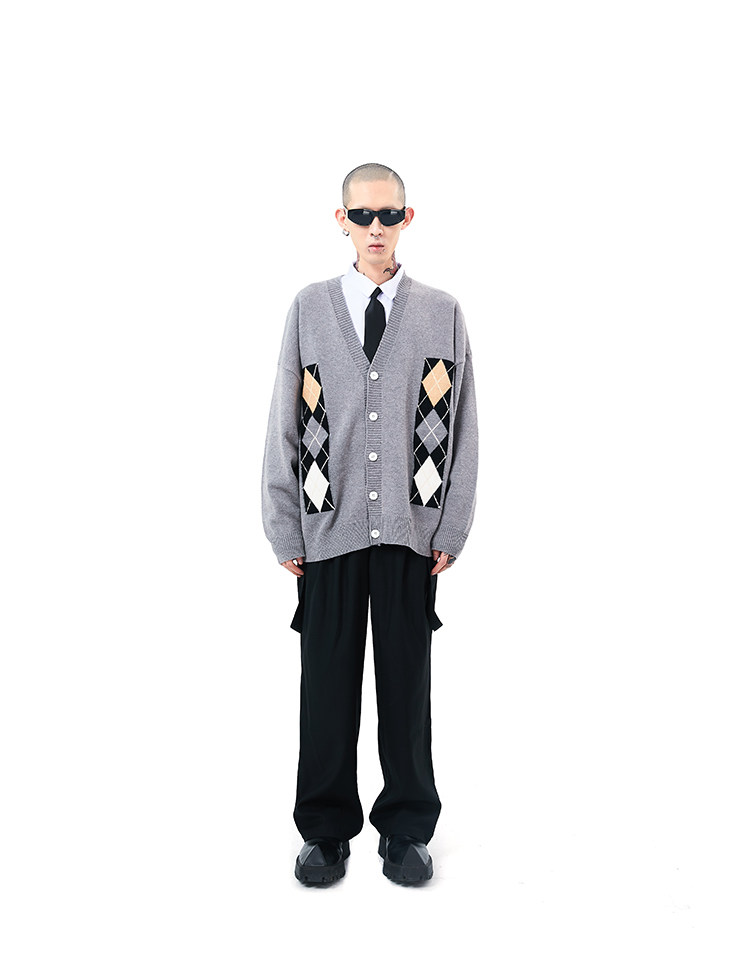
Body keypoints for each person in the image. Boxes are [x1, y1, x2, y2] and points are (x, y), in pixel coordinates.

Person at [261, 162, 479, 885]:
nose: (376, 228)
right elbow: (284, 420)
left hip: (412, 532)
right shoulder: (309, 308)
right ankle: (325, 830)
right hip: (327, 528)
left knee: (406, 687)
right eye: (363, 216)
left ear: (407, 219)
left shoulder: (441, 312)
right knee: (325, 687)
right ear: (343, 221)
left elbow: (463, 426)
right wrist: (284, 524)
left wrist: (451, 524)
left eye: (389, 215)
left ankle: (407, 828)